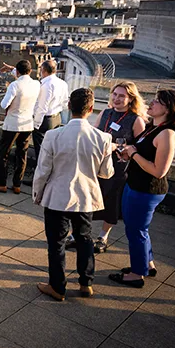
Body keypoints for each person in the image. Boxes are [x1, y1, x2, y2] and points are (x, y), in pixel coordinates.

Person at [33, 88, 114, 301]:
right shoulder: (104, 138)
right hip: (86, 196)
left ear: (69, 106)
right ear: (91, 109)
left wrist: (37, 194)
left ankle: (57, 287)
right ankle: (86, 283)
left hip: (57, 196)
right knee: (85, 239)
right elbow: (106, 173)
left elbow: (43, 170)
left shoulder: (53, 135)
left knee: (56, 243)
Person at [110, 89, 175, 288]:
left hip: (147, 190)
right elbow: (142, 152)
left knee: (136, 232)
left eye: (157, 101)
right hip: (135, 185)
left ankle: (137, 274)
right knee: (137, 229)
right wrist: (128, 154)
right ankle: (147, 264)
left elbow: (159, 171)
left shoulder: (167, 134)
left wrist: (134, 154)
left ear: (169, 108)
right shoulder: (152, 127)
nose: (151, 103)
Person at [68, 81, 146, 253]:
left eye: (122, 96)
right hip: (96, 166)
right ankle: (76, 234)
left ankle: (103, 237)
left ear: (131, 99)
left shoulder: (136, 120)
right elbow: (93, 134)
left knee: (111, 203)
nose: (117, 99)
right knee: (85, 200)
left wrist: (121, 149)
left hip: (118, 170)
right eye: (115, 94)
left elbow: (139, 148)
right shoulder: (105, 113)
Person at [0, 60, 40, 194]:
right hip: (27, 124)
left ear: (17, 72)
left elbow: (4, 105)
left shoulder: (14, 85)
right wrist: (13, 68)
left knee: (4, 154)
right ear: (30, 71)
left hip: (12, 124)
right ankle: (17, 185)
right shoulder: (36, 84)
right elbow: (23, 75)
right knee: (22, 155)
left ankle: (1, 184)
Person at [32, 59, 69, 163]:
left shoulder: (46, 85)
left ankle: (40, 177)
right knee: (53, 150)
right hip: (57, 118)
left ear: (43, 70)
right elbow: (65, 103)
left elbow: (42, 107)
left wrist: (36, 124)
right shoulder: (63, 83)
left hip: (45, 121)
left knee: (41, 152)